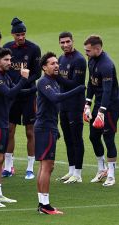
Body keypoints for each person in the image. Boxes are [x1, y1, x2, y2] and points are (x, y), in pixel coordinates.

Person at [35, 52, 85, 214]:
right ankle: (45, 205)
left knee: (46, 166)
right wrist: (78, 90)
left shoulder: (54, 81)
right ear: (44, 67)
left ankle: (43, 203)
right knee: (47, 166)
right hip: (45, 128)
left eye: (57, 63)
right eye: (52, 63)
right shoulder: (44, 82)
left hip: (48, 127)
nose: (56, 65)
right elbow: (56, 98)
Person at [0, 48, 29, 208]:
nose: (10, 63)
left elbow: (16, 92)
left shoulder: (4, 75)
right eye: (6, 60)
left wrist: (38, 90)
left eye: (10, 60)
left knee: (1, 158)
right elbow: (10, 93)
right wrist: (23, 79)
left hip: (2, 121)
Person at [3, 17, 41, 179]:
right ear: (12, 34)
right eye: (18, 34)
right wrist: (13, 86)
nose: (20, 37)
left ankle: (30, 168)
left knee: (30, 131)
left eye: (23, 34)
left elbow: (37, 73)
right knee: (10, 129)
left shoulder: (34, 49)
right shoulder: (7, 48)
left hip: (28, 95)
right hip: (12, 96)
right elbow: (4, 70)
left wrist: (24, 83)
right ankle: (8, 167)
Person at [83, 35, 119, 186]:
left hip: (110, 106)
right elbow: (91, 83)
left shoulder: (106, 65)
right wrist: (87, 104)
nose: (86, 52)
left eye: (88, 50)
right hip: (99, 104)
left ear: (97, 49)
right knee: (93, 136)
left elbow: (107, 91)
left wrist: (101, 112)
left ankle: (111, 175)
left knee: (108, 138)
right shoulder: (91, 60)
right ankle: (101, 169)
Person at [55, 32, 87, 183]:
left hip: (75, 105)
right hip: (63, 104)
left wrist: (57, 77)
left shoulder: (79, 60)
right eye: (62, 42)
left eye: (68, 42)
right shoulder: (61, 59)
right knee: (68, 138)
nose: (65, 45)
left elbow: (76, 84)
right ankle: (71, 170)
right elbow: (62, 83)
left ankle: (78, 174)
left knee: (76, 138)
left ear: (73, 41)